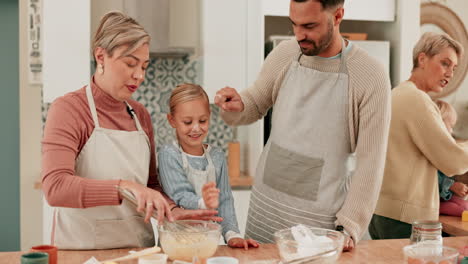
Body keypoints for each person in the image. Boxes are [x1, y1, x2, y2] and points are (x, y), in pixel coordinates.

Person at [214, 0, 391, 251]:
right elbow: (255, 101)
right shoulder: (285, 54)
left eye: (309, 26)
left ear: (338, 15)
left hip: (319, 223)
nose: (299, 35)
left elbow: (371, 162)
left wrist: (349, 226)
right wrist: (237, 105)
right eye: (294, 24)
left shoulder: (370, 75)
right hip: (266, 209)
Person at [41, 12, 220, 250]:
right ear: (101, 56)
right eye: (130, 63)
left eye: (144, 66)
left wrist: (173, 211)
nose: (140, 75)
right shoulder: (69, 109)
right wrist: (122, 187)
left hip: (139, 250)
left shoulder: (140, 115)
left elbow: (150, 185)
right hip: (82, 252)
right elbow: (55, 187)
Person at [369, 32, 467, 239]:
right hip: (404, 218)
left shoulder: (398, 93)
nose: (450, 73)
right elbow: (454, 161)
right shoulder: (417, 100)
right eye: (445, 63)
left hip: (383, 211)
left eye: (454, 68)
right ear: (422, 59)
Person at [158, 83, 259, 250]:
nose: (196, 128)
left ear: (210, 117)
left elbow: (225, 200)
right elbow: (179, 195)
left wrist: (232, 234)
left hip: (207, 243)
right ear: (172, 121)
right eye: (188, 122)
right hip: (174, 243)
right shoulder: (169, 154)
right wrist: (204, 202)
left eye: (203, 120)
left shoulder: (216, 156)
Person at [435, 100, 468, 216]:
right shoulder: (432, 148)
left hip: (444, 195)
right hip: (434, 200)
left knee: (465, 205)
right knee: (464, 208)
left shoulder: (444, 147)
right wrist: (451, 185)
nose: (452, 131)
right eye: (451, 126)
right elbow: (432, 176)